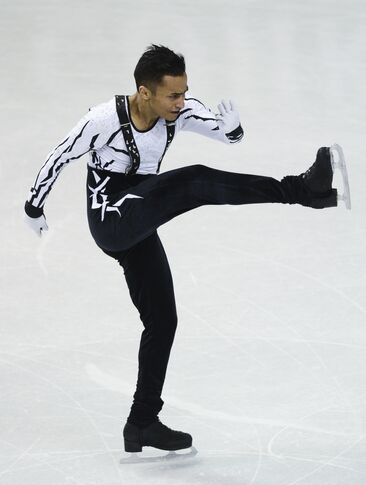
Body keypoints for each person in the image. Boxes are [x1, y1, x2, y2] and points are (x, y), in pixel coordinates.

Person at [24, 44, 345, 455]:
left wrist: (233, 129)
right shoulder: (104, 119)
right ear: (144, 93)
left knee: (163, 321)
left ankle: (141, 423)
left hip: (141, 213)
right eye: (173, 95)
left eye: (184, 91)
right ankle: (302, 190)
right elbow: (61, 154)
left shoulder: (180, 112)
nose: (182, 101)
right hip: (112, 218)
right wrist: (34, 205)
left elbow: (226, 135)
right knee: (193, 181)